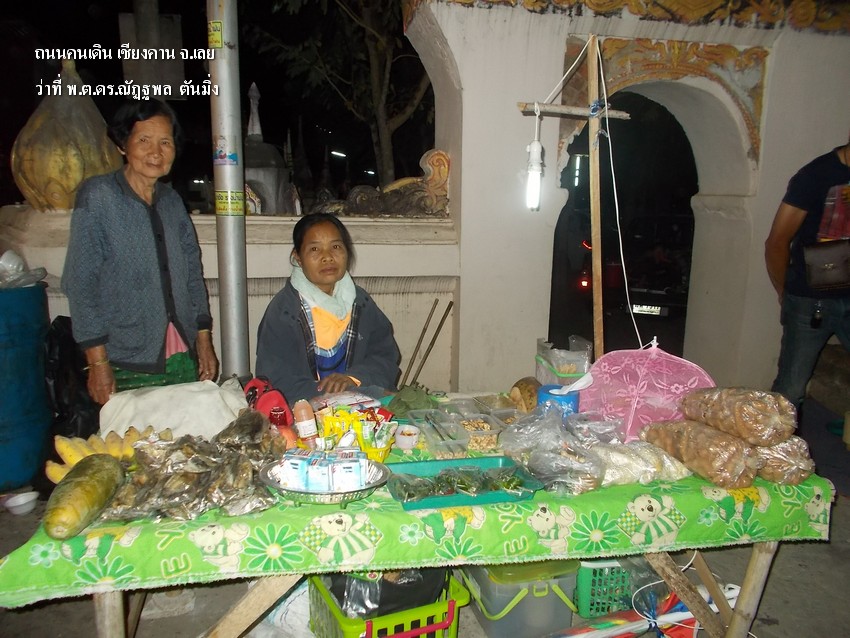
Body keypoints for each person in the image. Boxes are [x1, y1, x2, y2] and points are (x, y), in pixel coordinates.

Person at [62, 99, 219, 405]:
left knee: (185, 432)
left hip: (182, 354)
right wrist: (97, 363)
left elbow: (192, 274)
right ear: (123, 145)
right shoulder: (99, 197)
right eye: (144, 140)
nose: (156, 152)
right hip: (124, 359)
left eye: (165, 142)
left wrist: (203, 339)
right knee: (134, 435)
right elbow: (81, 284)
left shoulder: (172, 202)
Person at [255, 213, 401, 401]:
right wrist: (336, 393)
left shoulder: (360, 303)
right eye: (315, 249)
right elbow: (278, 381)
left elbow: (385, 357)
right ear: (297, 257)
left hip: (361, 409)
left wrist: (353, 378)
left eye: (336, 247)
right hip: (305, 412)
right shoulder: (284, 312)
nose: (327, 257)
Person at [764, 138, 850, 411]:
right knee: (790, 390)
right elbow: (777, 241)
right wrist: (785, 291)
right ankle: (774, 440)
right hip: (811, 301)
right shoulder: (816, 175)